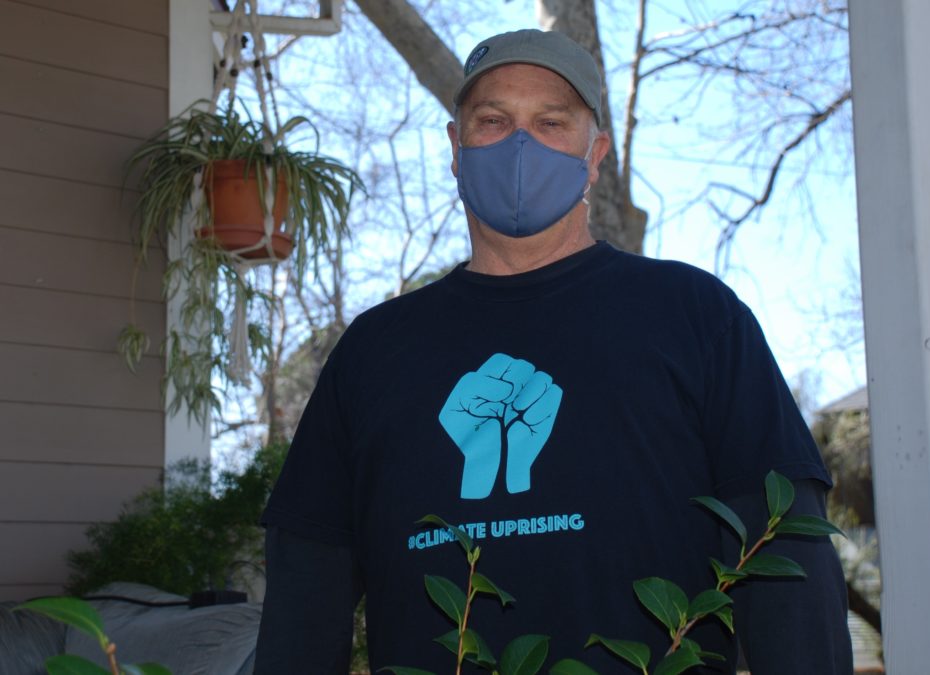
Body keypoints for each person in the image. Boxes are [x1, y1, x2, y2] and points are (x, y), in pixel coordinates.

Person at [254, 29, 853, 674]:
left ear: (595, 155)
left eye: (551, 123)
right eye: (493, 121)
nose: (521, 144)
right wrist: (485, 466)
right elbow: (304, 596)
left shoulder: (695, 317)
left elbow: (787, 562)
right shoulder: (374, 351)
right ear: (455, 148)